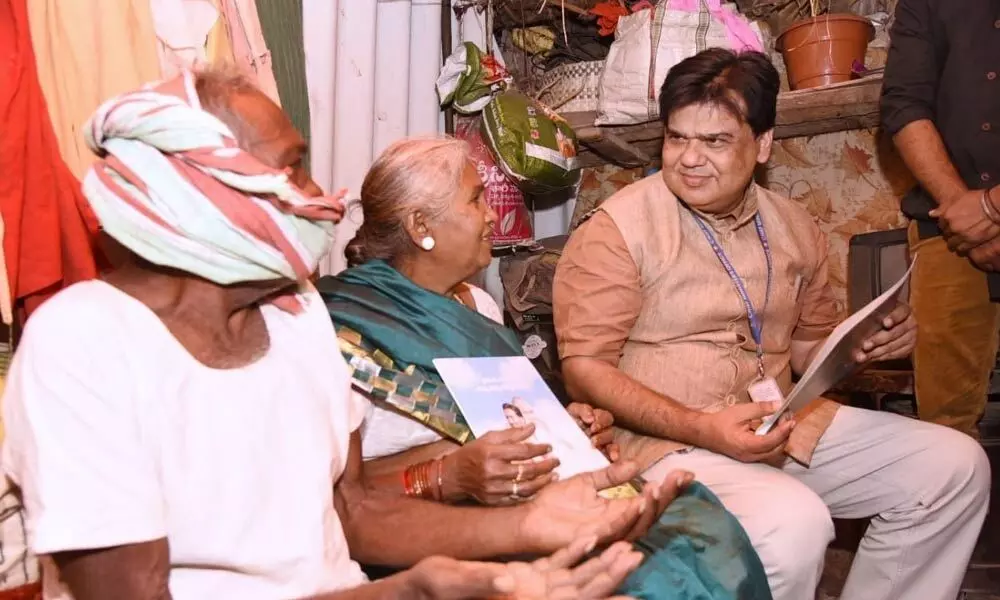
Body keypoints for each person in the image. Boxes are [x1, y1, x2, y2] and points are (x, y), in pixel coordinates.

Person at [0, 67, 670, 600]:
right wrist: (415, 595)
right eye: (293, 168)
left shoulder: (298, 316)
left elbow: (352, 511)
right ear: (199, 194)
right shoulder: (84, 342)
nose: (323, 193)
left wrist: (527, 525)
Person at [553, 48, 991, 600]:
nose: (689, 158)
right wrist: (701, 427)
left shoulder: (793, 224)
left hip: (781, 426)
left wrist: (865, 346)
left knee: (954, 466)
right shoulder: (616, 229)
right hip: (662, 447)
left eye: (714, 141)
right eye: (676, 137)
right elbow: (583, 369)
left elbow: (809, 348)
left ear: (762, 145)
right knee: (794, 523)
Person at [317, 137, 773, 599]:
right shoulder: (344, 331)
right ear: (420, 225)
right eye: (476, 199)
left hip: (515, 495)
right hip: (431, 531)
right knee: (649, 578)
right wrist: (447, 472)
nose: (492, 215)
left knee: (703, 536)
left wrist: (562, 430)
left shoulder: (475, 304)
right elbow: (340, 497)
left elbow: (501, 415)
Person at [881, 0, 1000, 438]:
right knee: (945, 432)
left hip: (965, 220)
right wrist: (963, 214)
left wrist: (991, 206)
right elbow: (903, 103)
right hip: (947, 234)